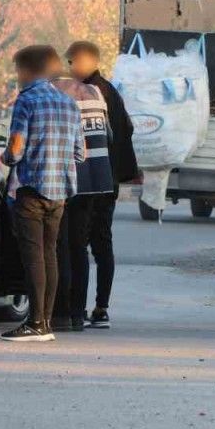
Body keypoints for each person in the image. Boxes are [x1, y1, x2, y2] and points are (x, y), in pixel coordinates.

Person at [0, 45, 85, 342]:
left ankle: (35, 322)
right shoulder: (69, 103)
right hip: (60, 193)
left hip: (31, 190)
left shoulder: (26, 101)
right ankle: (45, 320)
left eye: (17, 71)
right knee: (50, 254)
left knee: (32, 256)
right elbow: (80, 153)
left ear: (26, 70)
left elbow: (15, 148)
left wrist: (6, 159)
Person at [65, 40, 136, 329]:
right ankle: (101, 307)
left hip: (88, 180)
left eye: (70, 63)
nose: (69, 69)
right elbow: (127, 129)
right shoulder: (112, 91)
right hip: (109, 181)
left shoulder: (87, 93)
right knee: (103, 244)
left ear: (83, 62)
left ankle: (77, 309)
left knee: (79, 243)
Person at [46, 47, 114, 333]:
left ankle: (62, 313)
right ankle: (77, 313)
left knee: (62, 244)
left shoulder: (56, 94)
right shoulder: (96, 93)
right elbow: (108, 135)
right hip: (98, 179)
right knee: (80, 246)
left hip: (71, 177)